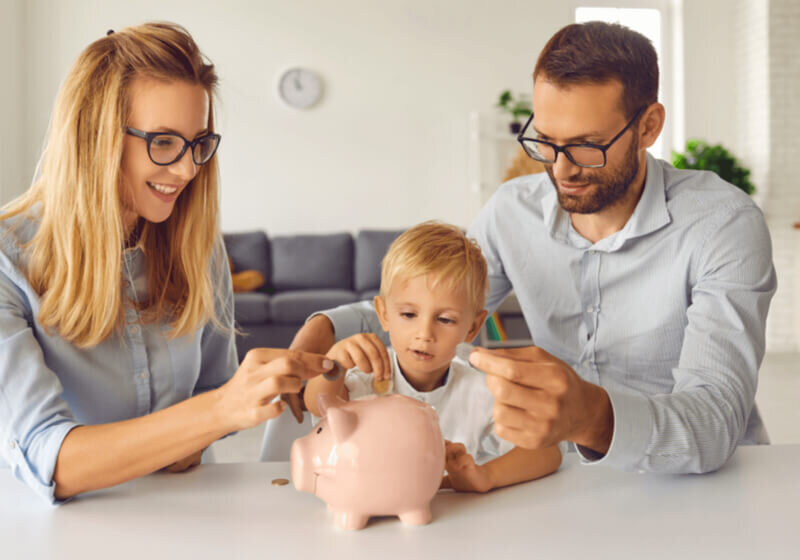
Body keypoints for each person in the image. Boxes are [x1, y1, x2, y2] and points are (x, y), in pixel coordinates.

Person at [289, 21, 776, 474]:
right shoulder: (512, 210)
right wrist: (329, 324)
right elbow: (433, 305)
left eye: (587, 146)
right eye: (546, 141)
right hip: (561, 479)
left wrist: (593, 418)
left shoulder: (722, 224)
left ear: (648, 127)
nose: (560, 171)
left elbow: (715, 419)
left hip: (706, 487)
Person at [0, 22, 332, 504]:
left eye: (197, 143)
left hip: (191, 516)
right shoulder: (10, 259)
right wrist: (217, 413)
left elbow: (214, 391)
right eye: (162, 142)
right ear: (95, 138)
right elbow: (48, 458)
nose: (186, 170)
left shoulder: (198, 246)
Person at [303, 222, 561, 492]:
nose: (424, 334)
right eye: (409, 315)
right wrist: (334, 365)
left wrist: (486, 476)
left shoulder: (480, 384)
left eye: (445, 319)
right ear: (384, 314)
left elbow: (548, 451)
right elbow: (318, 403)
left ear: (472, 327)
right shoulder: (369, 373)